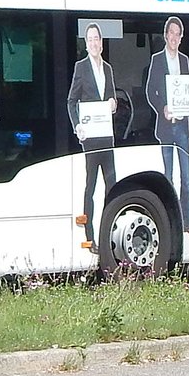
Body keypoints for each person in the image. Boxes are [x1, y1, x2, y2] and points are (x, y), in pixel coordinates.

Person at [145, 16, 189, 241]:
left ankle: (187, 222)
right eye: (171, 32)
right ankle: (170, 225)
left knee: (187, 178)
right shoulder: (157, 60)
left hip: (183, 127)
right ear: (165, 35)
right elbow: (150, 91)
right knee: (167, 178)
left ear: (181, 38)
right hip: (166, 127)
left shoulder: (185, 61)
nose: (174, 37)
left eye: (177, 34)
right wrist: (163, 108)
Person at [67, 23, 118, 249]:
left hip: (107, 136)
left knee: (112, 185)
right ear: (86, 44)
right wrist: (77, 125)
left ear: (102, 42)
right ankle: (89, 236)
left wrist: (113, 104)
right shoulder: (81, 67)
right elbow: (71, 101)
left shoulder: (107, 68)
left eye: (97, 38)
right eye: (90, 40)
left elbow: (112, 98)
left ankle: (109, 232)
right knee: (91, 186)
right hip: (90, 138)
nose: (94, 43)